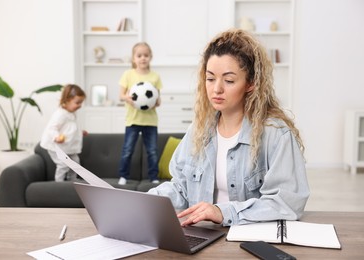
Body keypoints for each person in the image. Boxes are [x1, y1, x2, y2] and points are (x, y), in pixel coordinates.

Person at [148, 29, 310, 226]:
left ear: (251, 83)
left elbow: (286, 203)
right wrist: (147, 200)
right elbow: (181, 188)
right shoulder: (199, 129)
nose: (217, 89)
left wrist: (223, 212)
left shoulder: (276, 134)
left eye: (229, 80)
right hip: (203, 236)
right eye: (210, 78)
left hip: (248, 241)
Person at [118, 42, 163, 185]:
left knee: (152, 152)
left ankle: (154, 177)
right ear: (133, 58)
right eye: (139, 55)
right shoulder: (128, 74)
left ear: (150, 57)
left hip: (150, 121)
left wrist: (156, 102)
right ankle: (123, 176)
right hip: (133, 120)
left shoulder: (155, 76)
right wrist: (129, 99)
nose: (143, 58)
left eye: (146, 55)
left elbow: (158, 98)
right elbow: (121, 95)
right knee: (127, 150)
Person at [40, 84, 87, 182]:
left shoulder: (72, 112)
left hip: (67, 147)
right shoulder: (60, 114)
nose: (80, 105)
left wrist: (80, 132)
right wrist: (56, 137)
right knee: (63, 164)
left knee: (76, 163)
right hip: (56, 146)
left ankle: (72, 180)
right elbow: (52, 128)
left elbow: (70, 127)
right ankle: (59, 183)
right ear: (67, 100)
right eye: (77, 102)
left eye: (81, 103)